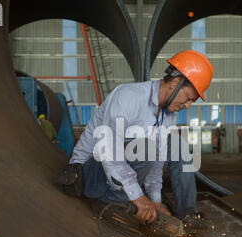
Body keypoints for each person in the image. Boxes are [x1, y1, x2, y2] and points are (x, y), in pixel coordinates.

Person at [57, 50, 213, 225]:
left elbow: (156, 162)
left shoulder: (167, 115)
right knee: (146, 147)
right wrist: (138, 196)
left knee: (176, 145)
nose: (187, 106)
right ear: (175, 83)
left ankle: (186, 216)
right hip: (91, 171)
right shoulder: (129, 96)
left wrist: (155, 200)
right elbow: (109, 150)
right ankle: (113, 204)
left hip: (119, 173)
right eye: (188, 98)